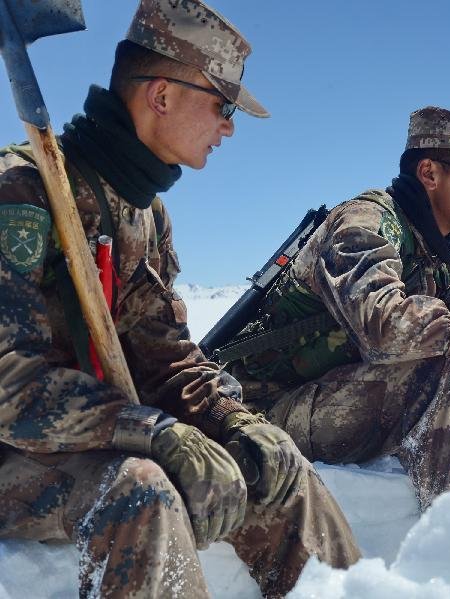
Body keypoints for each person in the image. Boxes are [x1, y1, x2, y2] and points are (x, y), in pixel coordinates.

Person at [0, 2, 360, 596]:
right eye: (222, 107)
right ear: (161, 96)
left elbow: (163, 354)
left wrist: (233, 422)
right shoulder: (24, 190)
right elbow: (9, 383)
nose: (229, 128)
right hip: (19, 449)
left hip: (98, 437)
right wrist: (152, 432)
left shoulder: (145, 213)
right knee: (141, 489)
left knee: (274, 462)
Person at [228, 106, 450, 511]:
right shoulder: (367, 221)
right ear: (430, 174)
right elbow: (386, 330)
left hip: (360, 393)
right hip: (280, 404)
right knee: (436, 372)